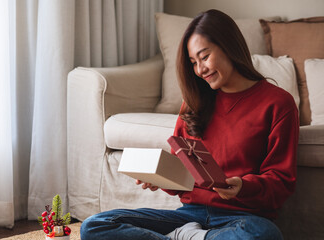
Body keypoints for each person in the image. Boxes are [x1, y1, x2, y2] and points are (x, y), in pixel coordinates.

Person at [80, 9, 299, 240]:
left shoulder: (278, 103)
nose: (200, 70)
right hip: (189, 215)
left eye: (204, 57)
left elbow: (281, 181)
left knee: (263, 235)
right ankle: (192, 236)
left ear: (229, 46)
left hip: (243, 218)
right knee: (96, 225)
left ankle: (187, 237)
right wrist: (160, 178)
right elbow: (182, 174)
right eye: (194, 62)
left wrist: (243, 186)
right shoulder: (195, 103)